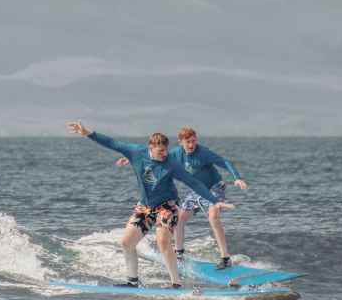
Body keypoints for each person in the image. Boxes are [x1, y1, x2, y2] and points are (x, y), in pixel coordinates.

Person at [66, 121, 235, 288]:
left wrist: (215, 201)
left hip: (167, 205)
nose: (164, 154)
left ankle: (176, 283)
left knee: (163, 241)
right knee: (126, 242)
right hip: (146, 206)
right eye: (160, 151)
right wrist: (87, 133)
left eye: (166, 150)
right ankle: (133, 281)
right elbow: (112, 143)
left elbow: (194, 183)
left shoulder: (171, 164)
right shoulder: (136, 152)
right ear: (151, 148)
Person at [117, 127, 247, 269]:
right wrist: (130, 159)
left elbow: (225, 162)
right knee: (179, 218)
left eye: (193, 141)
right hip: (196, 191)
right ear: (180, 142)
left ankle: (225, 258)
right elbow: (152, 158)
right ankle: (179, 254)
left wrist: (238, 178)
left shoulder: (203, 153)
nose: (191, 145)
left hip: (214, 187)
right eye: (188, 142)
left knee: (213, 216)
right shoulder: (174, 154)